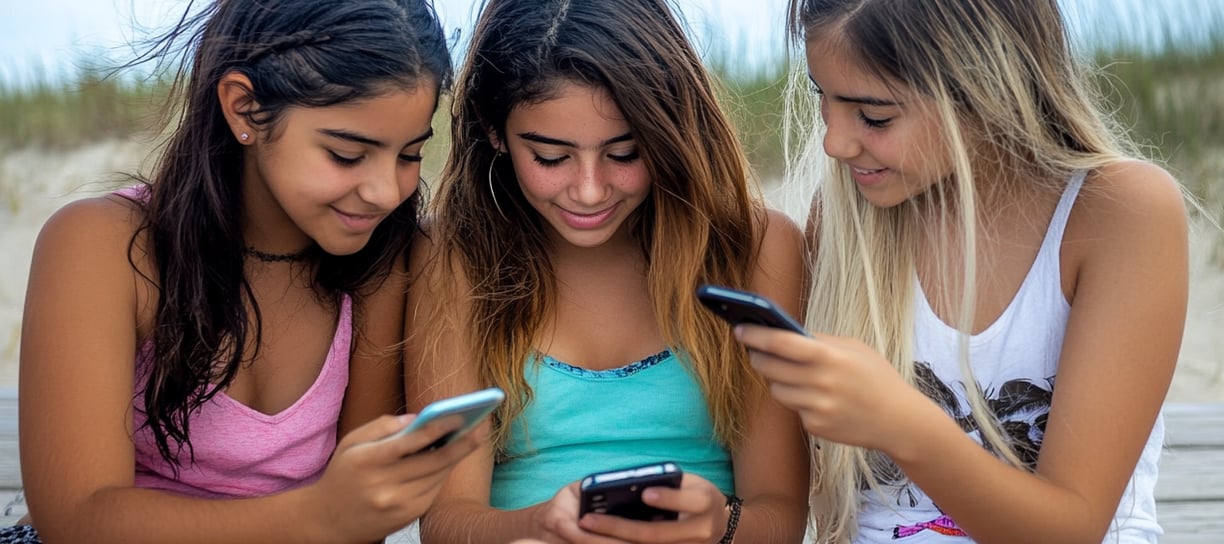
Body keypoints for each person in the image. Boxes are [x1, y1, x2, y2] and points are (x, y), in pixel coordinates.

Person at [7, 1, 485, 542]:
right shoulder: (105, 245)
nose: (384, 192)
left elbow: (360, 519)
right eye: (347, 154)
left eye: (409, 155)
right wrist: (320, 514)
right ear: (245, 109)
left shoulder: (384, 259)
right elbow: (77, 518)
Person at [735, 1, 1190, 543]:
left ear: (986, 90)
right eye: (821, 96)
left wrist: (901, 424)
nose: (834, 143)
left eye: (874, 116)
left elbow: (1072, 529)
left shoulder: (1118, 211)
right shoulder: (845, 223)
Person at [403, 0, 811, 542]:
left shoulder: (755, 249)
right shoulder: (453, 256)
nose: (591, 190)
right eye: (551, 158)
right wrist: (543, 524)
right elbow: (447, 523)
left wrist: (720, 525)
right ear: (493, 129)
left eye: (625, 152)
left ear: (668, 131)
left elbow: (782, 513)